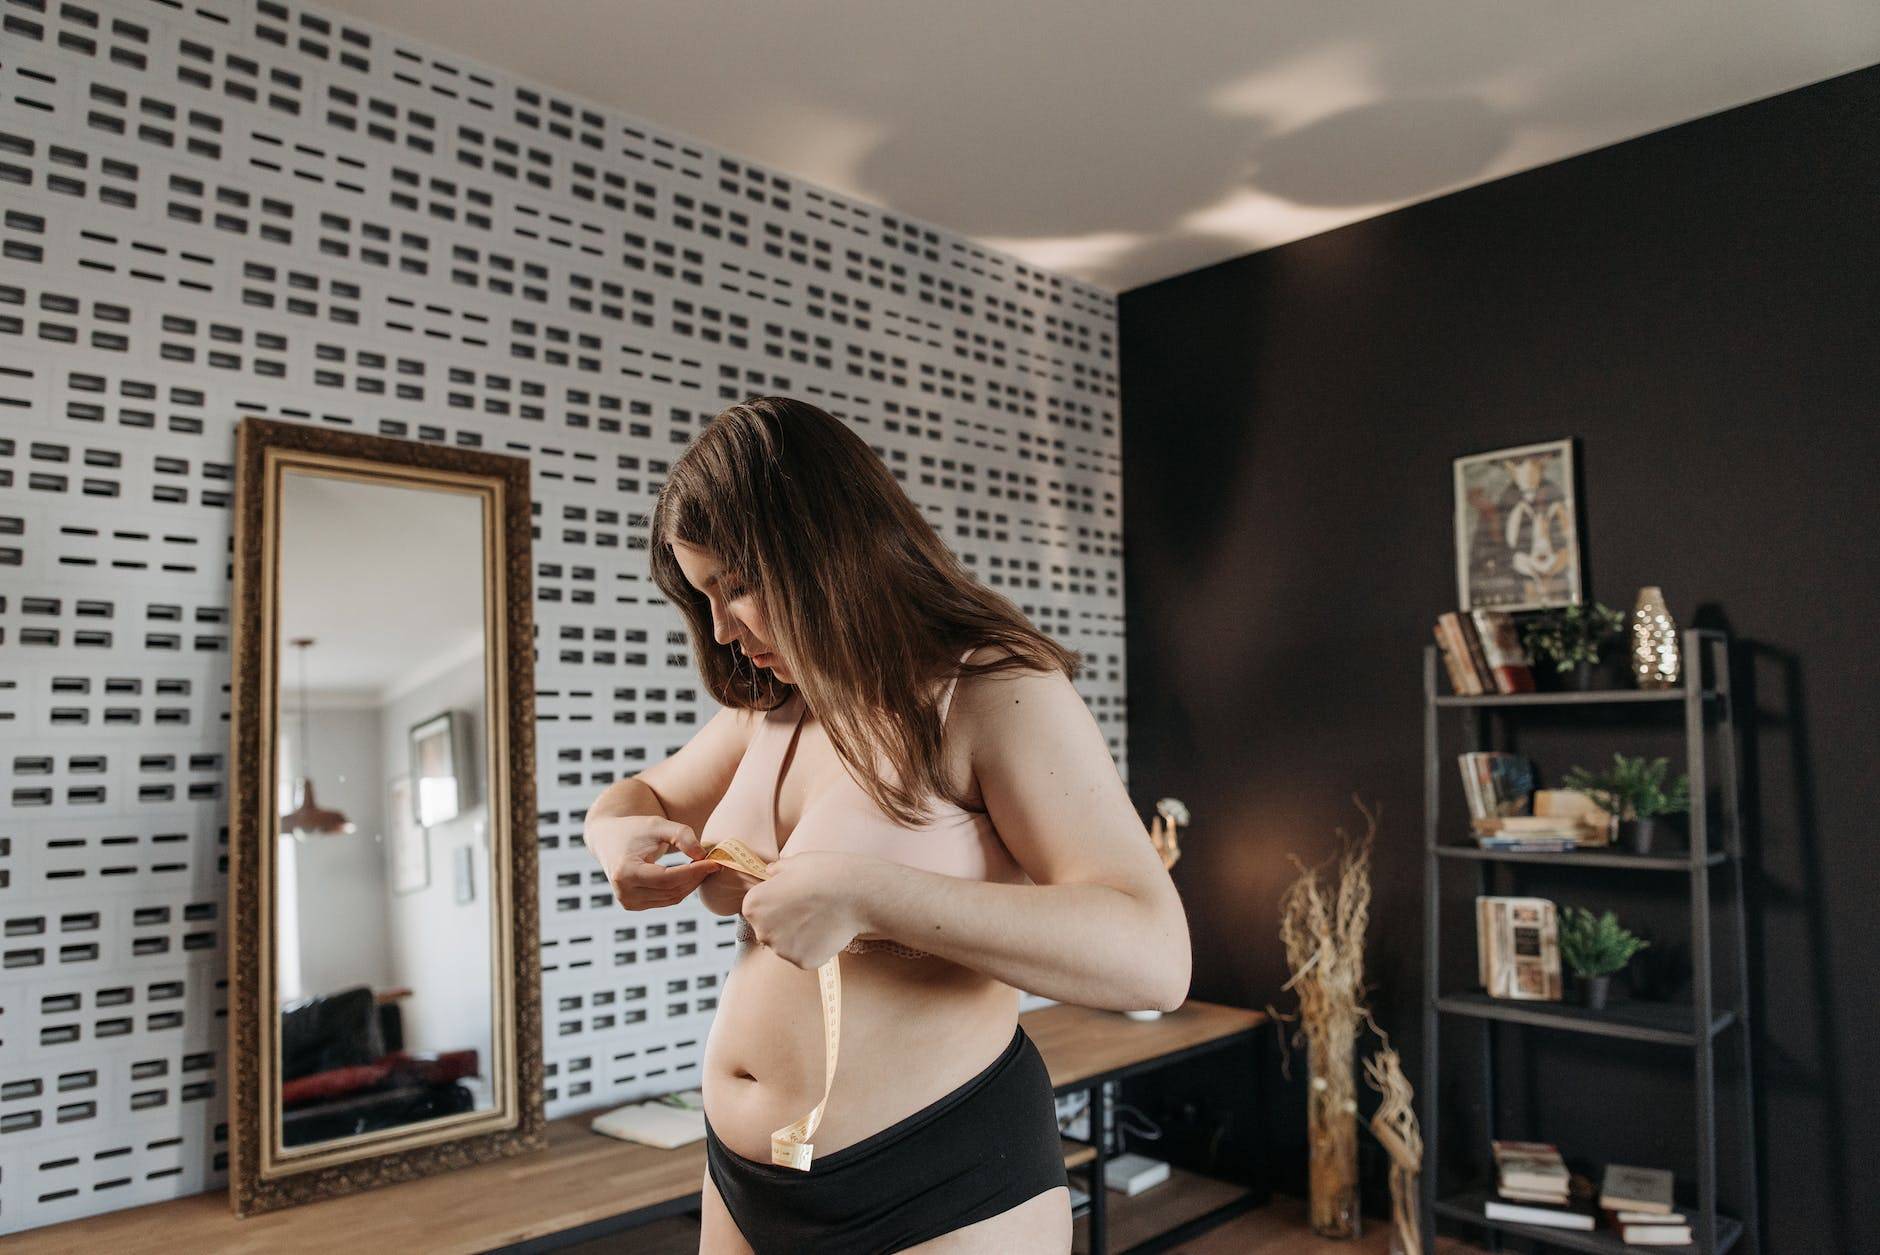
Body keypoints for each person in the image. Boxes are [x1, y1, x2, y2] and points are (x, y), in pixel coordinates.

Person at [582, 396, 1191, 1254]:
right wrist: (614, 838)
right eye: (702, 594)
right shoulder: (776, 708)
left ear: (821, 548)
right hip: (743, 1182)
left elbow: (1155, 957)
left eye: (735, 586)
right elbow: (632, 795)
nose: (720, 627)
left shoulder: (989, 688)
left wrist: (874, 896)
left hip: (940, 1187)